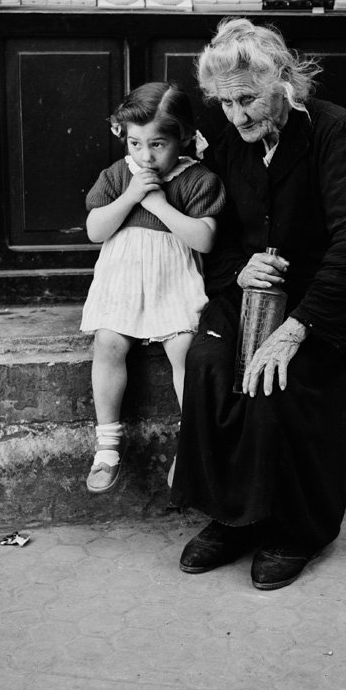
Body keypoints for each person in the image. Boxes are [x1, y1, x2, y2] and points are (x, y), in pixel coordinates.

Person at [171, 17, 346, 590]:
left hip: (319, 297)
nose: (236, 116)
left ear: (284, 82)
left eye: (248, 100)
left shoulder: (335, 130)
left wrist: (295, 329)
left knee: (283, 378)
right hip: (249, 290)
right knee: (210, 361)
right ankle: (233, 516)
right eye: (225, 102)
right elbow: (216, 232)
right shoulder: (224, 135)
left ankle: (298, 529)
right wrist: (239, 270)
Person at [80, 82, 225, 493]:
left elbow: (204, 239)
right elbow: (95, 230)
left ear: (185, 137)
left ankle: (190, 447)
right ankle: (108, 445)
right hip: (123, 283)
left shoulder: (197, 180)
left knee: (185, 350)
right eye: (135, 144)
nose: (145, 156)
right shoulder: (118, 176)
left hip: (172, 283)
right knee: (108, 343)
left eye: (158, 144)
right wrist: (130, 197)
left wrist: (159, 205)